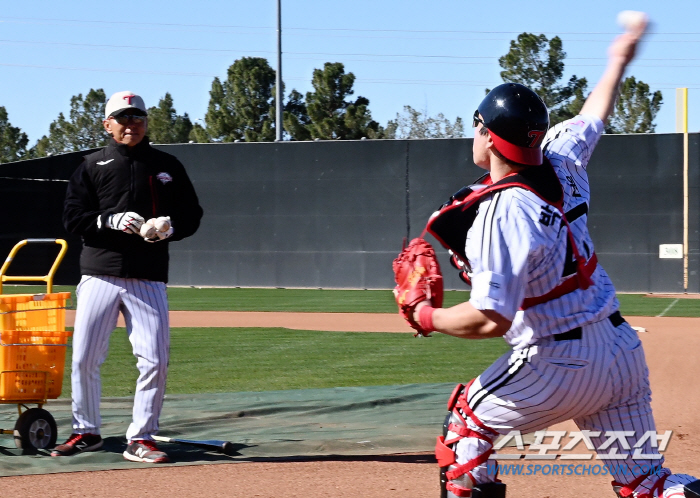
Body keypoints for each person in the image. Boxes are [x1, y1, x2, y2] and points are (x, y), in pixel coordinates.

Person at [395, 15, 700, 498]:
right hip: (620, 352)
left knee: (465, 433)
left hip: (558, 360)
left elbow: (490, 318)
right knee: (648, 484)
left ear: (490, 137)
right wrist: (619, 58)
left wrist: (426, 315)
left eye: (477, 125)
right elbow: (595, 113)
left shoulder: (502, 211)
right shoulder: (562, 157)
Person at [55, 90, 203, 463]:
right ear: (108, 125)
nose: (130, 124)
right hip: (99, 273)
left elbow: (192, 214)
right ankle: (85, 431)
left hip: (148, 275)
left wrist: (170, 226)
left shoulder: (166, 164)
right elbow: (73, 218)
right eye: (122, 118)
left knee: (155, 359)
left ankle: (142, 437)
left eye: (136, 117)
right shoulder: (92, 165)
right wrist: (109, 220)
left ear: (145, 122)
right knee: (85, 357)